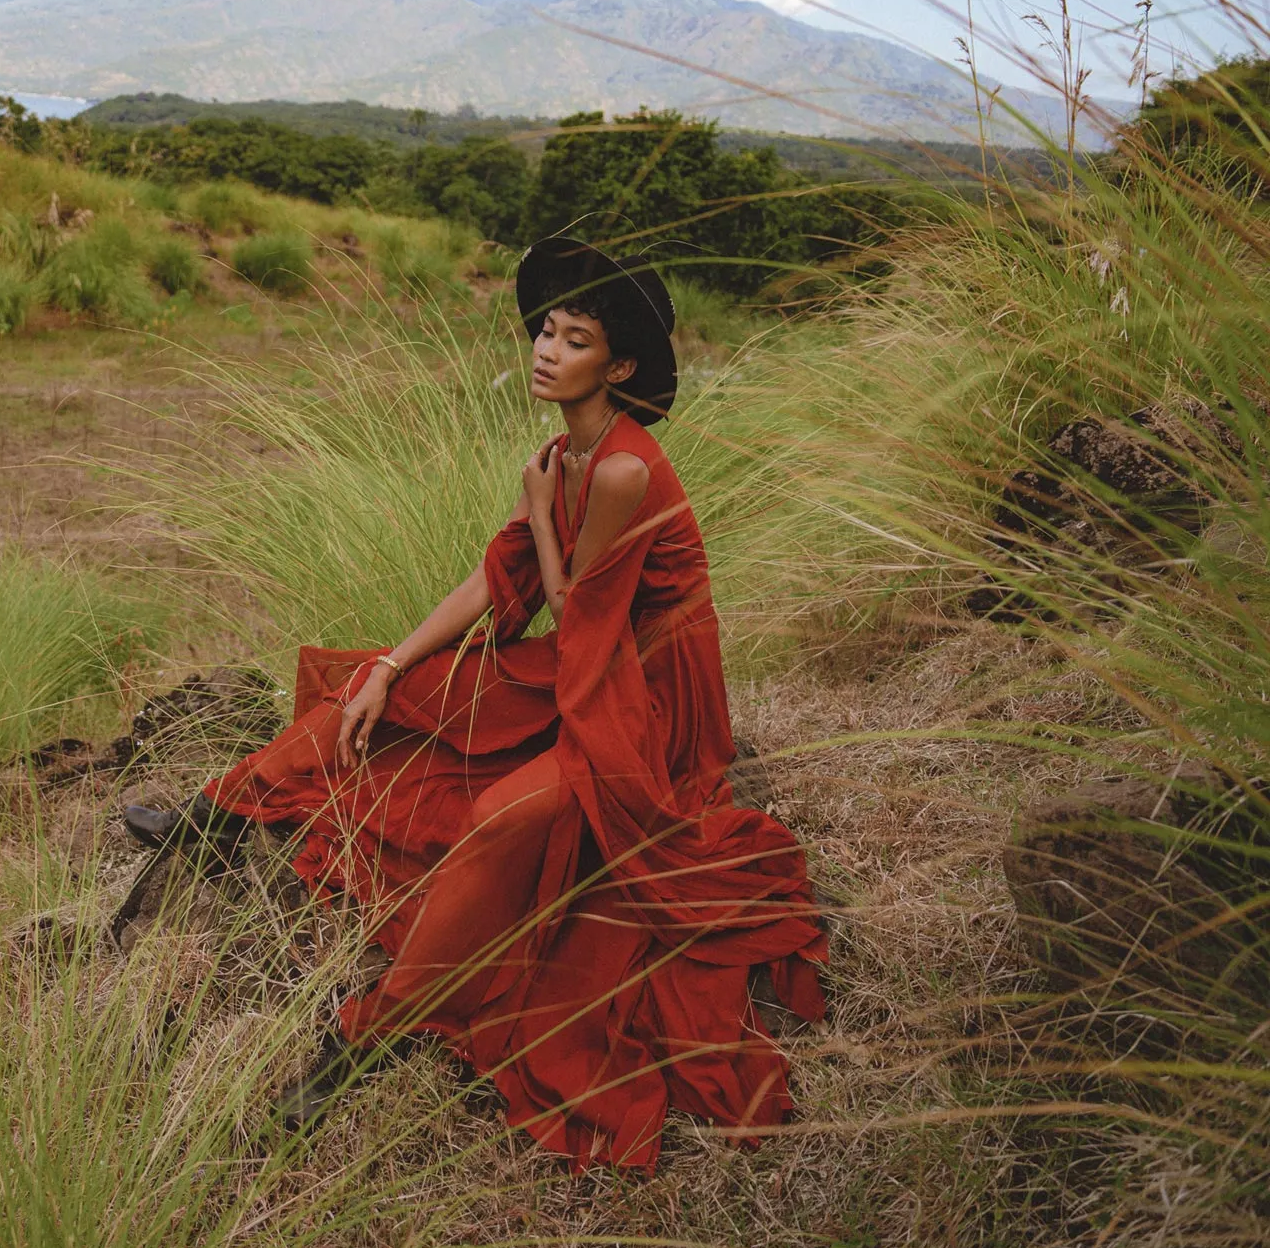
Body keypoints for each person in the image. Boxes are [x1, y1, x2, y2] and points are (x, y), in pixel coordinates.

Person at [124, 238, 829, 1173]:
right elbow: (500, 581)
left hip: (644, 698)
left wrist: (541, 511)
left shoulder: (622, 468)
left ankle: (361, 1040)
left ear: (616, 368)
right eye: (545, 329)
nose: (545, 347)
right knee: (394, 689)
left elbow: (578, 612)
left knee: (502, 820)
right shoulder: (560, 451)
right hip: (587, 661)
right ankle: (213, 818)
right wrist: (392, 660)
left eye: (574, 339)